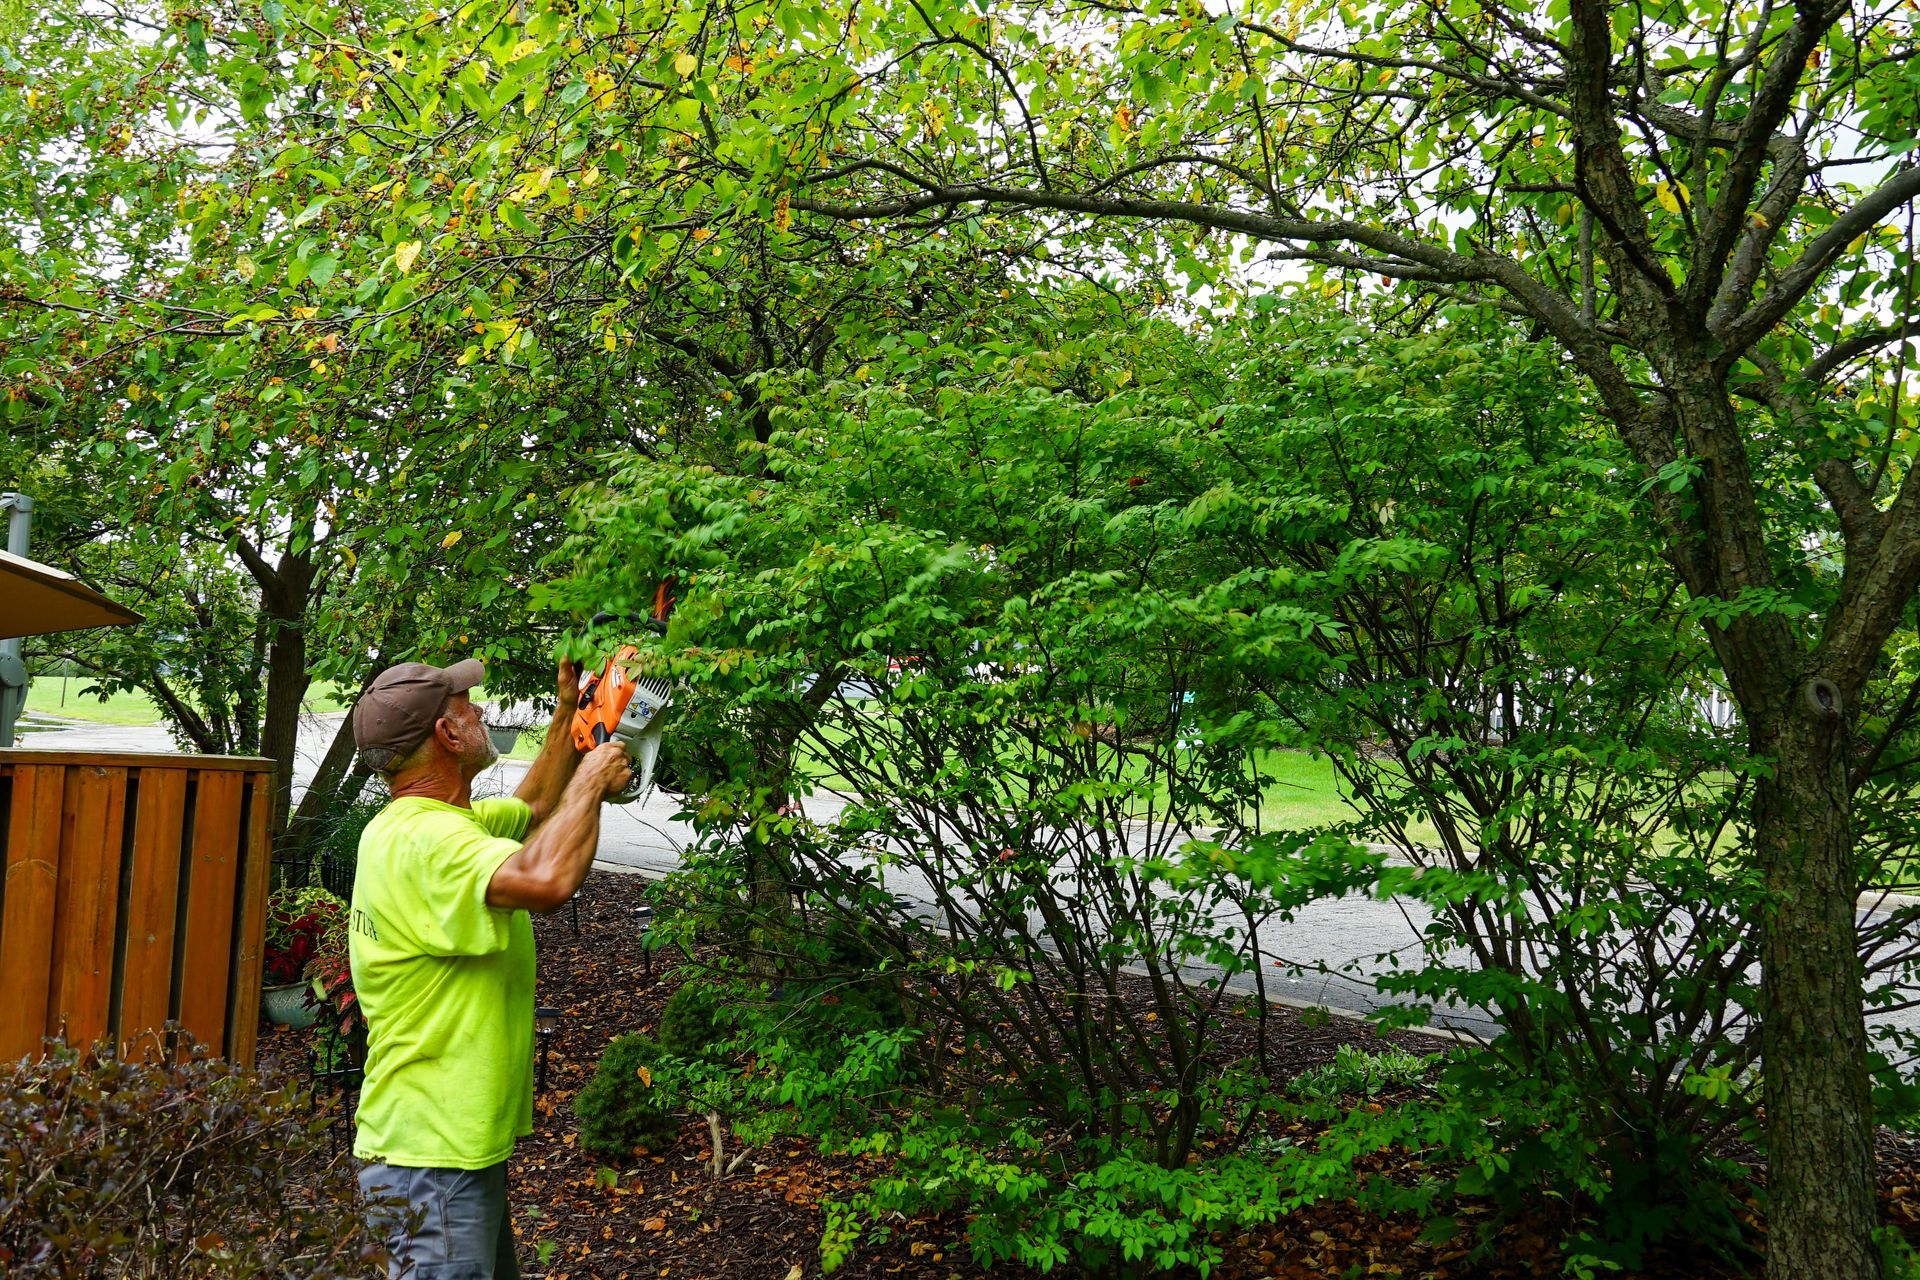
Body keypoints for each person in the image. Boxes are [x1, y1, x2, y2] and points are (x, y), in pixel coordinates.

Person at [346, 656, 632, 1280]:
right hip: (430, 1159)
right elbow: (547, 876)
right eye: (464, 706)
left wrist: (568, 715)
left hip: (438, 1148)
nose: (478, 711)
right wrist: (592, 779)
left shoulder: (433, 823)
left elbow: (533, 805)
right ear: (447, 737)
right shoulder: (430, 845)